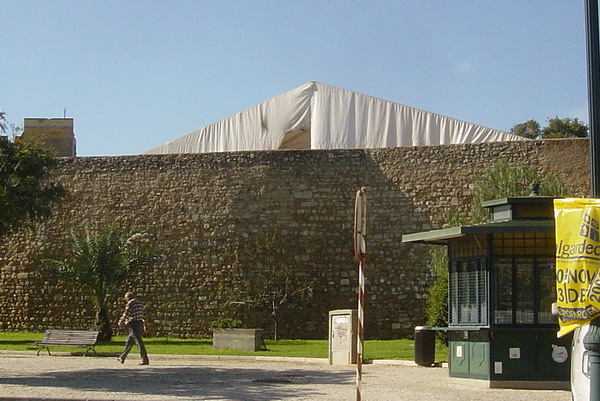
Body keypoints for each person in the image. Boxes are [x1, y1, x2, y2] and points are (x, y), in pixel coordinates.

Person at [117, 291, 149, 365]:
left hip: (133, 324)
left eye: (126, 298)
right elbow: (144, 315)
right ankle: (122, 357)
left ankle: (145, 359)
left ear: (128, 297)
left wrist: (121, 321)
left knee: (139, 342)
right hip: (139, 324)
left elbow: (126, 313)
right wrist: (145, 325)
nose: (126, 300)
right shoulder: (139, 303)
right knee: (129, 341)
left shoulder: (130, 303)